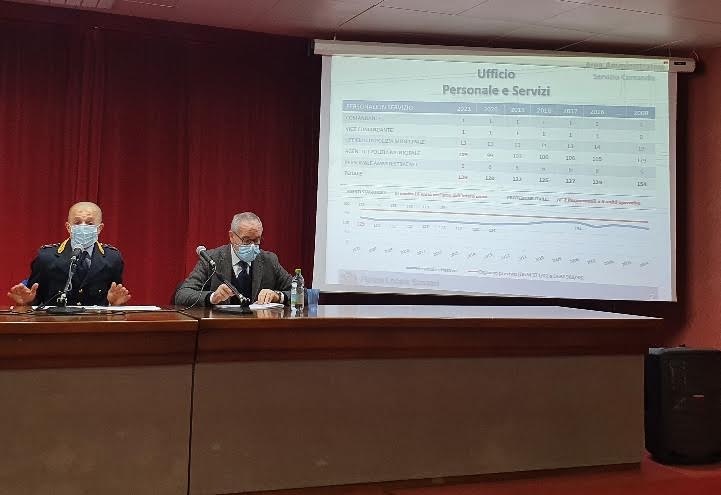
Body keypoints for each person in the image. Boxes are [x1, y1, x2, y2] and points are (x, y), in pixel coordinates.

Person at [6, 201, 131, 307]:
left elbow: (116, 296)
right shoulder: (46, 257)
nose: (83, 227)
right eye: (77, 222)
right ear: (68, 227)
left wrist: (115, 305)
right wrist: (27, 302)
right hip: (56, 325)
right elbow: (35, 298)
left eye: (90, 223)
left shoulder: (112, 258)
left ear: (99, 228)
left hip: (95, 325)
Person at [174, 212, 292, 307]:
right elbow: (182, 294)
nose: (252, 246)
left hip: (258, 326)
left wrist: (278, 296)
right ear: (232, 236)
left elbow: (299, 292)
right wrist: (213, 297)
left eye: (256, 240)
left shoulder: (269, 260)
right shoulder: (211, 259)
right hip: (220, 326)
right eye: (246, 240)